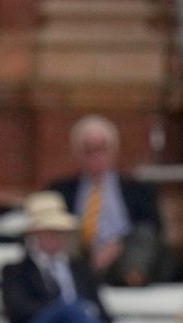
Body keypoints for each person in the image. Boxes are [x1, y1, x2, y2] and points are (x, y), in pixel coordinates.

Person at [46, 114, 166, 286]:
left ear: (114, 151)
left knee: (143, 237)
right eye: (88, 150)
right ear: (76, 153)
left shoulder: (138, 190)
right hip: (80, 259)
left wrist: (116, 247)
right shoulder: (60, 190)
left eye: (102, 149)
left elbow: (153, 229)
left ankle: (132, 279)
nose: (96, 156)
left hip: (124, 257)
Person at [0, 191, 111, 323]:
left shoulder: (80, 269)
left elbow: (103, 312)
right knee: (69, 307)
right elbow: (17, 310)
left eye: (59, 232)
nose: (55, 238)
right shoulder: (15, 271)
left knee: (75, 309)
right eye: (48, 232)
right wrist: (59, 309)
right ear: (34, 235)